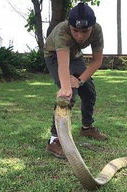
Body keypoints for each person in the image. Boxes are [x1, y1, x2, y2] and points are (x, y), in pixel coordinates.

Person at [44, 2, 107, 159]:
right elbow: (63, 65)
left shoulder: (97, 30)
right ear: (69, 26)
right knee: (68, 94)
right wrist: (66, 86)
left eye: (85, 31)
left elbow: (97, 61)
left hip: (75, 55)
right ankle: (54, 140)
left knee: (89, 92)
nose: (80, 36)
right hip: (54, 55)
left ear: (92, 27)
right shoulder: (62, 32)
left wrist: (79, 80)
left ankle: (86, 128)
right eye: (75, 31)